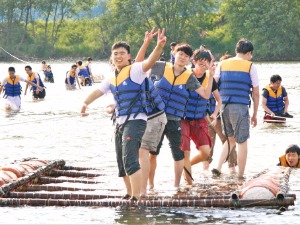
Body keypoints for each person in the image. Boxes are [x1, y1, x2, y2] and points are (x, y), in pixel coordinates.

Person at [80, 28, 166, 201]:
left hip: (136, 121)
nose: (118, 56)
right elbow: (98, 91)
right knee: (121, 162)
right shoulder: (111, 76)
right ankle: (128, 194)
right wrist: (85, 103)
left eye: (122, 53)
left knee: (131, 159)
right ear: (111, 57)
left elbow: (149, 62)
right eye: (115, 54)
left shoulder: (135, 70)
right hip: (119, 122)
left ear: (128, 56)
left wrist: (158, 46)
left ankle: (137, 198)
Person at [148, 43, 214, 190]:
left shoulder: (189, 77)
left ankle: (177, 186)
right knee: (152, 154)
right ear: (174, 54)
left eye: (186, 56)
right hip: (156, 118)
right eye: (180, 54)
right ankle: (150, 186)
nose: (183, 57)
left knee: (178, 156)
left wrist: (210, 77)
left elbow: (205, 94)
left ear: (190, 60)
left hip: (174, 120)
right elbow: (141, 67)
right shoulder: (160, 66)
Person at [212, 38, 260, 178]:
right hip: (239, 107)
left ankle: (218, 166)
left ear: (236, 51)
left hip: (224, 107)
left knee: (230, 139)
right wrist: (255, 114)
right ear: (249, 53)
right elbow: (256, 93)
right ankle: (240, 175)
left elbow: (214, 85)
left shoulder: (222, 63)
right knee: (242, 141)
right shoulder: (250, 66)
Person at [180, 49, 216, 185]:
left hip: (199, 118)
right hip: (183, 118)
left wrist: (214, 114)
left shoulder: (209, 76)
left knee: (206, 152)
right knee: (186, 152)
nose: (203, 67)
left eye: (206, 64)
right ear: (193, 62)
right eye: (200, 63)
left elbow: (214, 97)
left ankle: (185, 166)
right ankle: (189, 184)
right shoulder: (185, 76)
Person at [202, 54, 237, 173]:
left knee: (208, 143)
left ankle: (205, 172)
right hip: (219, 114)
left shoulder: (211, 76)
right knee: (228, 141)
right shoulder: (223, 77)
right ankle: (232, 170)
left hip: (208, 113)